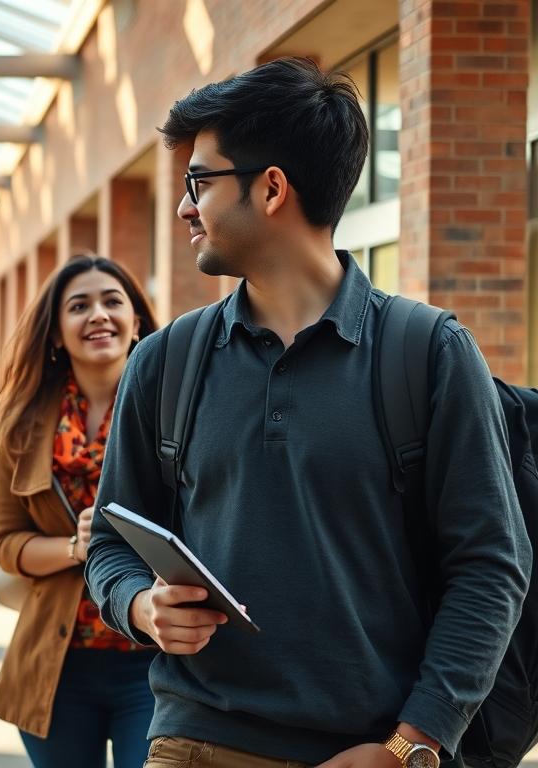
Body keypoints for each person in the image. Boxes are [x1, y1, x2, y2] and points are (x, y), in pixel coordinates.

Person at [84, 57, 530, 768]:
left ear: (270, 189)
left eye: (200, 180)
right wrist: (140, 605)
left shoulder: (429, 352)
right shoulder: (164, 361)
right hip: (196, 742)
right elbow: (110, 540)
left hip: (371, 749)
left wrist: (408, 746)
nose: (183, 206)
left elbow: (491, 566)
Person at [0, 256, 158, 768]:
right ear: (58, 334)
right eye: (78, 306)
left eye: (112, 301)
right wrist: (75, 548)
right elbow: (6, 544)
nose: (98, 315)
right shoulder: (24, 425)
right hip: (56, 666)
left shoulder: (174, 409)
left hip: (153, 661)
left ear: (137, 324)